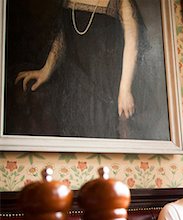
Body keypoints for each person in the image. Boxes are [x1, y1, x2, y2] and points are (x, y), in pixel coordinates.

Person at [12, 0, 139, 138]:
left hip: (104, 85)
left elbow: (132, 43)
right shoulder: (68, 1)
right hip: (73, 84)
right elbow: (63, 36)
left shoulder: (119, 2)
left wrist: (125, 89)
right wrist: (46, 70)